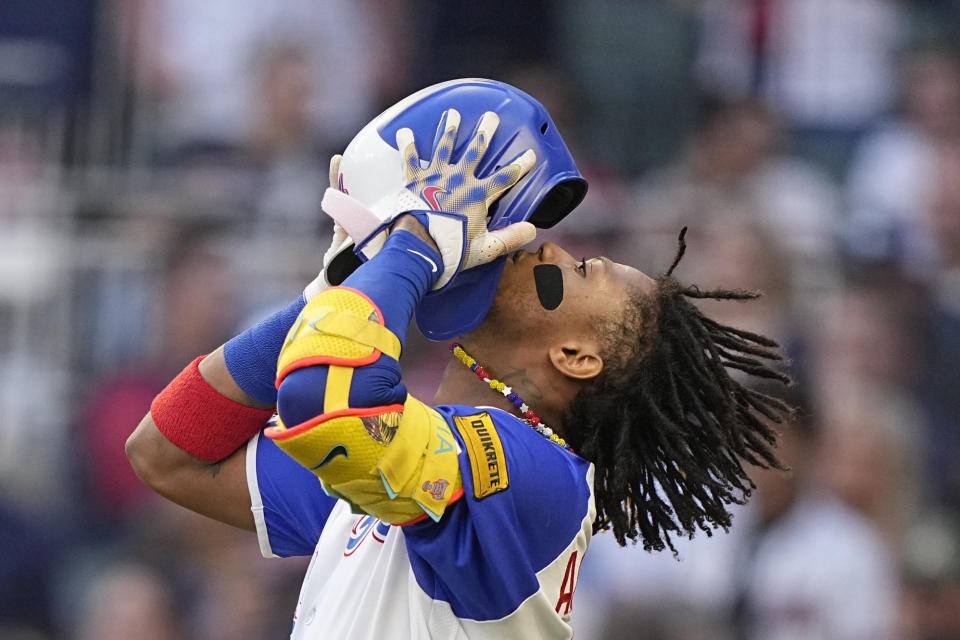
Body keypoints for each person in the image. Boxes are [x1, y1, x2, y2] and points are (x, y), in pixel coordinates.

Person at [126, 87, 790, 638]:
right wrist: (335, 286)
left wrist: (407, 251)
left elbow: (325, 405)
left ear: (578, 356)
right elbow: (168, 452)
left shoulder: (534, 474)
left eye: (585, 269)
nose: (549, 249)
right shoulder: (401, 466)